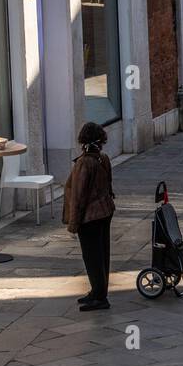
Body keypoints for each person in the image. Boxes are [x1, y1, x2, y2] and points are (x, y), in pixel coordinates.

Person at [64, 122, 115, 311]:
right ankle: (98, 291)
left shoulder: (84, 163)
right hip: (105, 211)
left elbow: (78, 196)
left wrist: (73, 224)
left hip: (91, 217)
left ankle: (100, 297)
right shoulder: (103, 158)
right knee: (102, 254)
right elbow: (109, 185)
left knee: (92, 257)